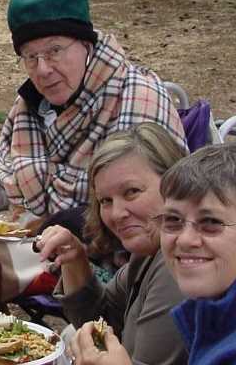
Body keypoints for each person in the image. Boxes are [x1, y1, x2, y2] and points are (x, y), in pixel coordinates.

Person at [0, 0, 188, 310]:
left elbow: (144, 215)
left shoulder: (136, 98)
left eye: (54, 51)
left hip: (109, 259)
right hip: (36, 235)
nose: (42, 69)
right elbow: (12, 175)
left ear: (86, 45)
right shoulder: (31, 105)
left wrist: (74, 220)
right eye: (30, 56)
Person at [68, 143, 236, 365]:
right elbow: (102, 317)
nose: (185, 239)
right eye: (173, 220)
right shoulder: (215, 312)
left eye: (211, 222)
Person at [36, 122, 188, 365]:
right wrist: (75, 259)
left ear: (174, 183)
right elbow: (101, 322)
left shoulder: (178, 265)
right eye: (105, 200)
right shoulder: (147, 250)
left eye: (131, 192)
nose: (116, 213)